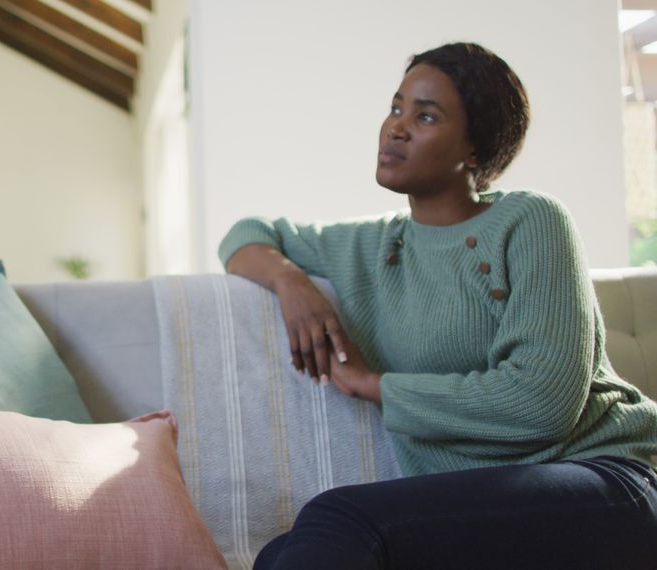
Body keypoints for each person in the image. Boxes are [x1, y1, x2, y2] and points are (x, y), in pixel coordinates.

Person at [219, 42, 657, 569]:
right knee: (278, 554)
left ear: (474, 148)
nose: (396, 127)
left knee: (340, 520)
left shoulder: (531, 221)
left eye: (425, 115)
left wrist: (378, 386)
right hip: (481, 505)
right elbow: (246, 236)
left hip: (606, 479)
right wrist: (292, 283)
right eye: (396, 106)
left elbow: (542, 403)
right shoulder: (371, 246)